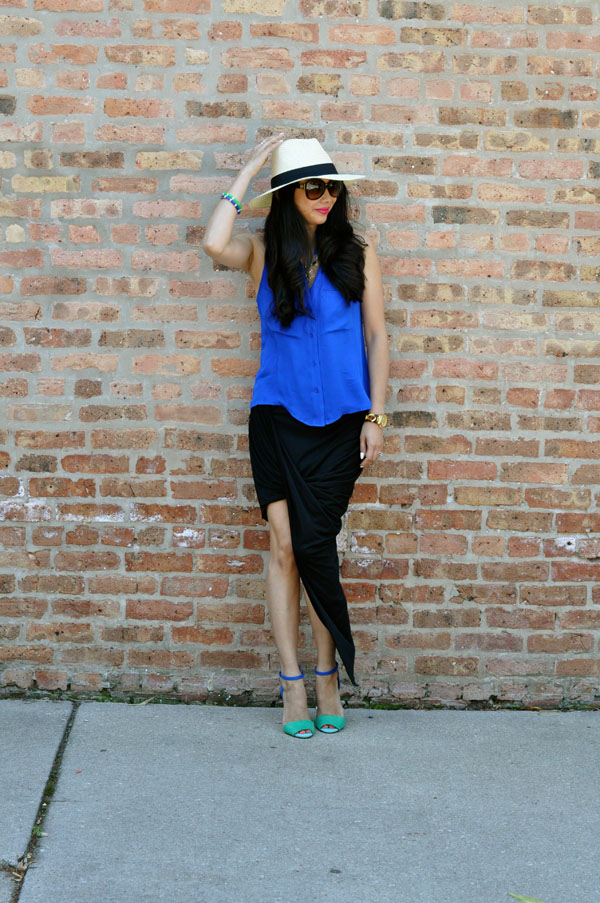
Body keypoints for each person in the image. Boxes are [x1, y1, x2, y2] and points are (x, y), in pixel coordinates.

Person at [201, 135, 389, 738]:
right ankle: (292, 684)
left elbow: (377, 337)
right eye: (313, 188)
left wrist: (377, 416)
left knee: (317, 548)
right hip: (277, 420)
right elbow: (213, 242)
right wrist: (250, 170)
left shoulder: (357, 253)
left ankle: (327, 676)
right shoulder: (262, 255)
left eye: (332, 186)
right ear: (288, 195)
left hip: (341, 424)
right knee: (284, 548)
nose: (326, 197)